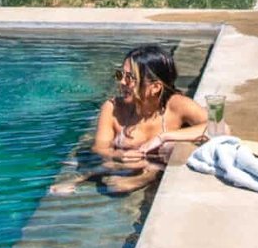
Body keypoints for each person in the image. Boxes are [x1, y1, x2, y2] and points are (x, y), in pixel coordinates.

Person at [50, 45, 207, 195]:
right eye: (120, 75)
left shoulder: (176, 105)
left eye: (130, 78)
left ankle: (147, 177)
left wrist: (164, 136)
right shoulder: (112, 107)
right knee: (109, 168)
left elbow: (216, 128)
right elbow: (99, 148)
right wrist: (117, 155)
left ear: (155, 87)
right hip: (119, 163)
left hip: (157, 165)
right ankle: (81, 178)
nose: (122, 82)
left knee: (172, 148)